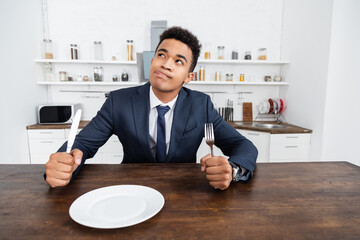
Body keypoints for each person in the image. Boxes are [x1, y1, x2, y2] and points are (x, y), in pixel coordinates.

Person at [45, 26, 258, 190]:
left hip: (184, 193)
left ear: (189, 77)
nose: (166, 64)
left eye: (178, 61)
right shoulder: (118, 101)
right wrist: (66, 163)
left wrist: (232, 170)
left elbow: (244, 146)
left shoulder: (201, 105)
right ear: (152, 61)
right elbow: (82, 144)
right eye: (161, 55)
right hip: (131, 190)